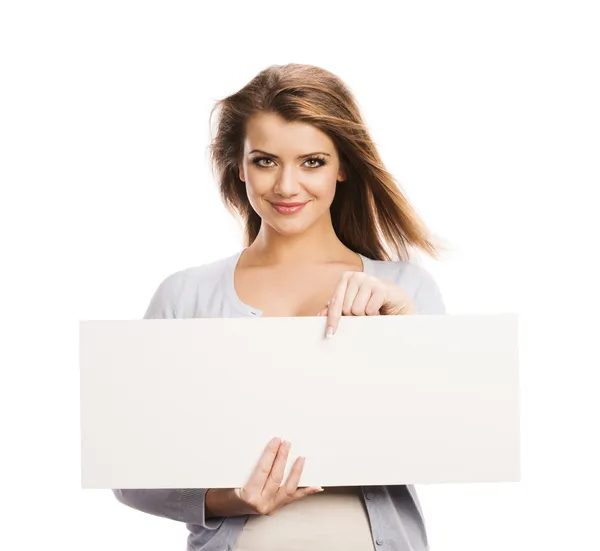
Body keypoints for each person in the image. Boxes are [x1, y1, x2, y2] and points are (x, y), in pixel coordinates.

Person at [113, 63, 446, 551]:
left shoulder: (404, 289)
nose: (287, 186)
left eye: (312, 161)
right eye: (266, 161)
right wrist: (229, 498)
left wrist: (406, 334)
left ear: (343, 166)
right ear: (239, 166)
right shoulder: (185, 296)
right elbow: (129, 470)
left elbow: (445, 439)